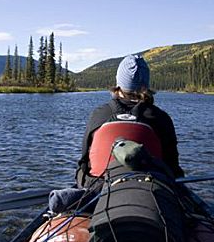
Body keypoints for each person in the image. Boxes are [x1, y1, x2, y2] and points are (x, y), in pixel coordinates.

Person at [76, 54, 184, 188]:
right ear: (146, 84)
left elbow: (84, 161)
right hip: (151, 188)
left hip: (99, 189)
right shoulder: (161, 118)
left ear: (119, 83)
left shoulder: (99, 114)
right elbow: (173, 168)